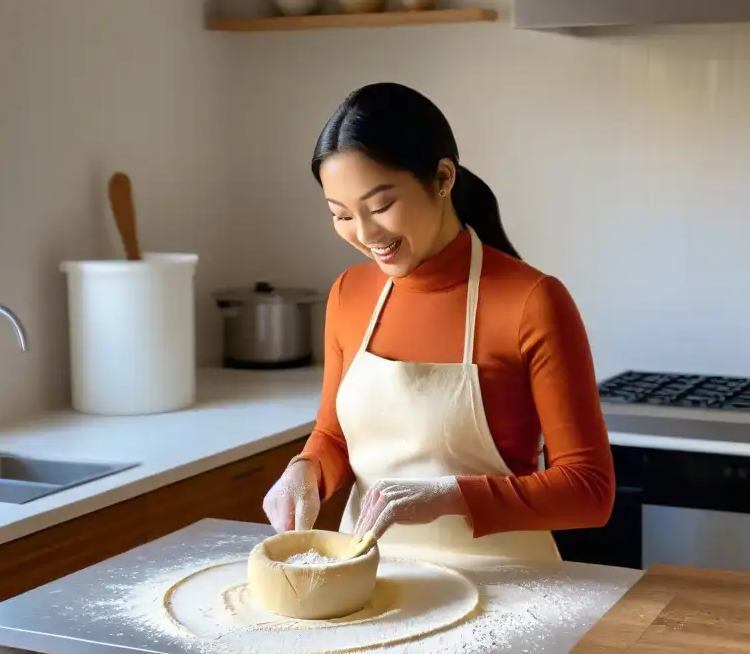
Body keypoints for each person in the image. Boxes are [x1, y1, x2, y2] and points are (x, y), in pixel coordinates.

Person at [262, 82, 615, 567]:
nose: (365, 235)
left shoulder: (533, 302)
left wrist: (448, 497)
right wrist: (305, 470)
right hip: (365, 578)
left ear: (443, 177)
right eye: (341, 215)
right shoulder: (349, 294)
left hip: (504, 587)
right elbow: (336, 437)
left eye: (382, 206)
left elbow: (588, 491)